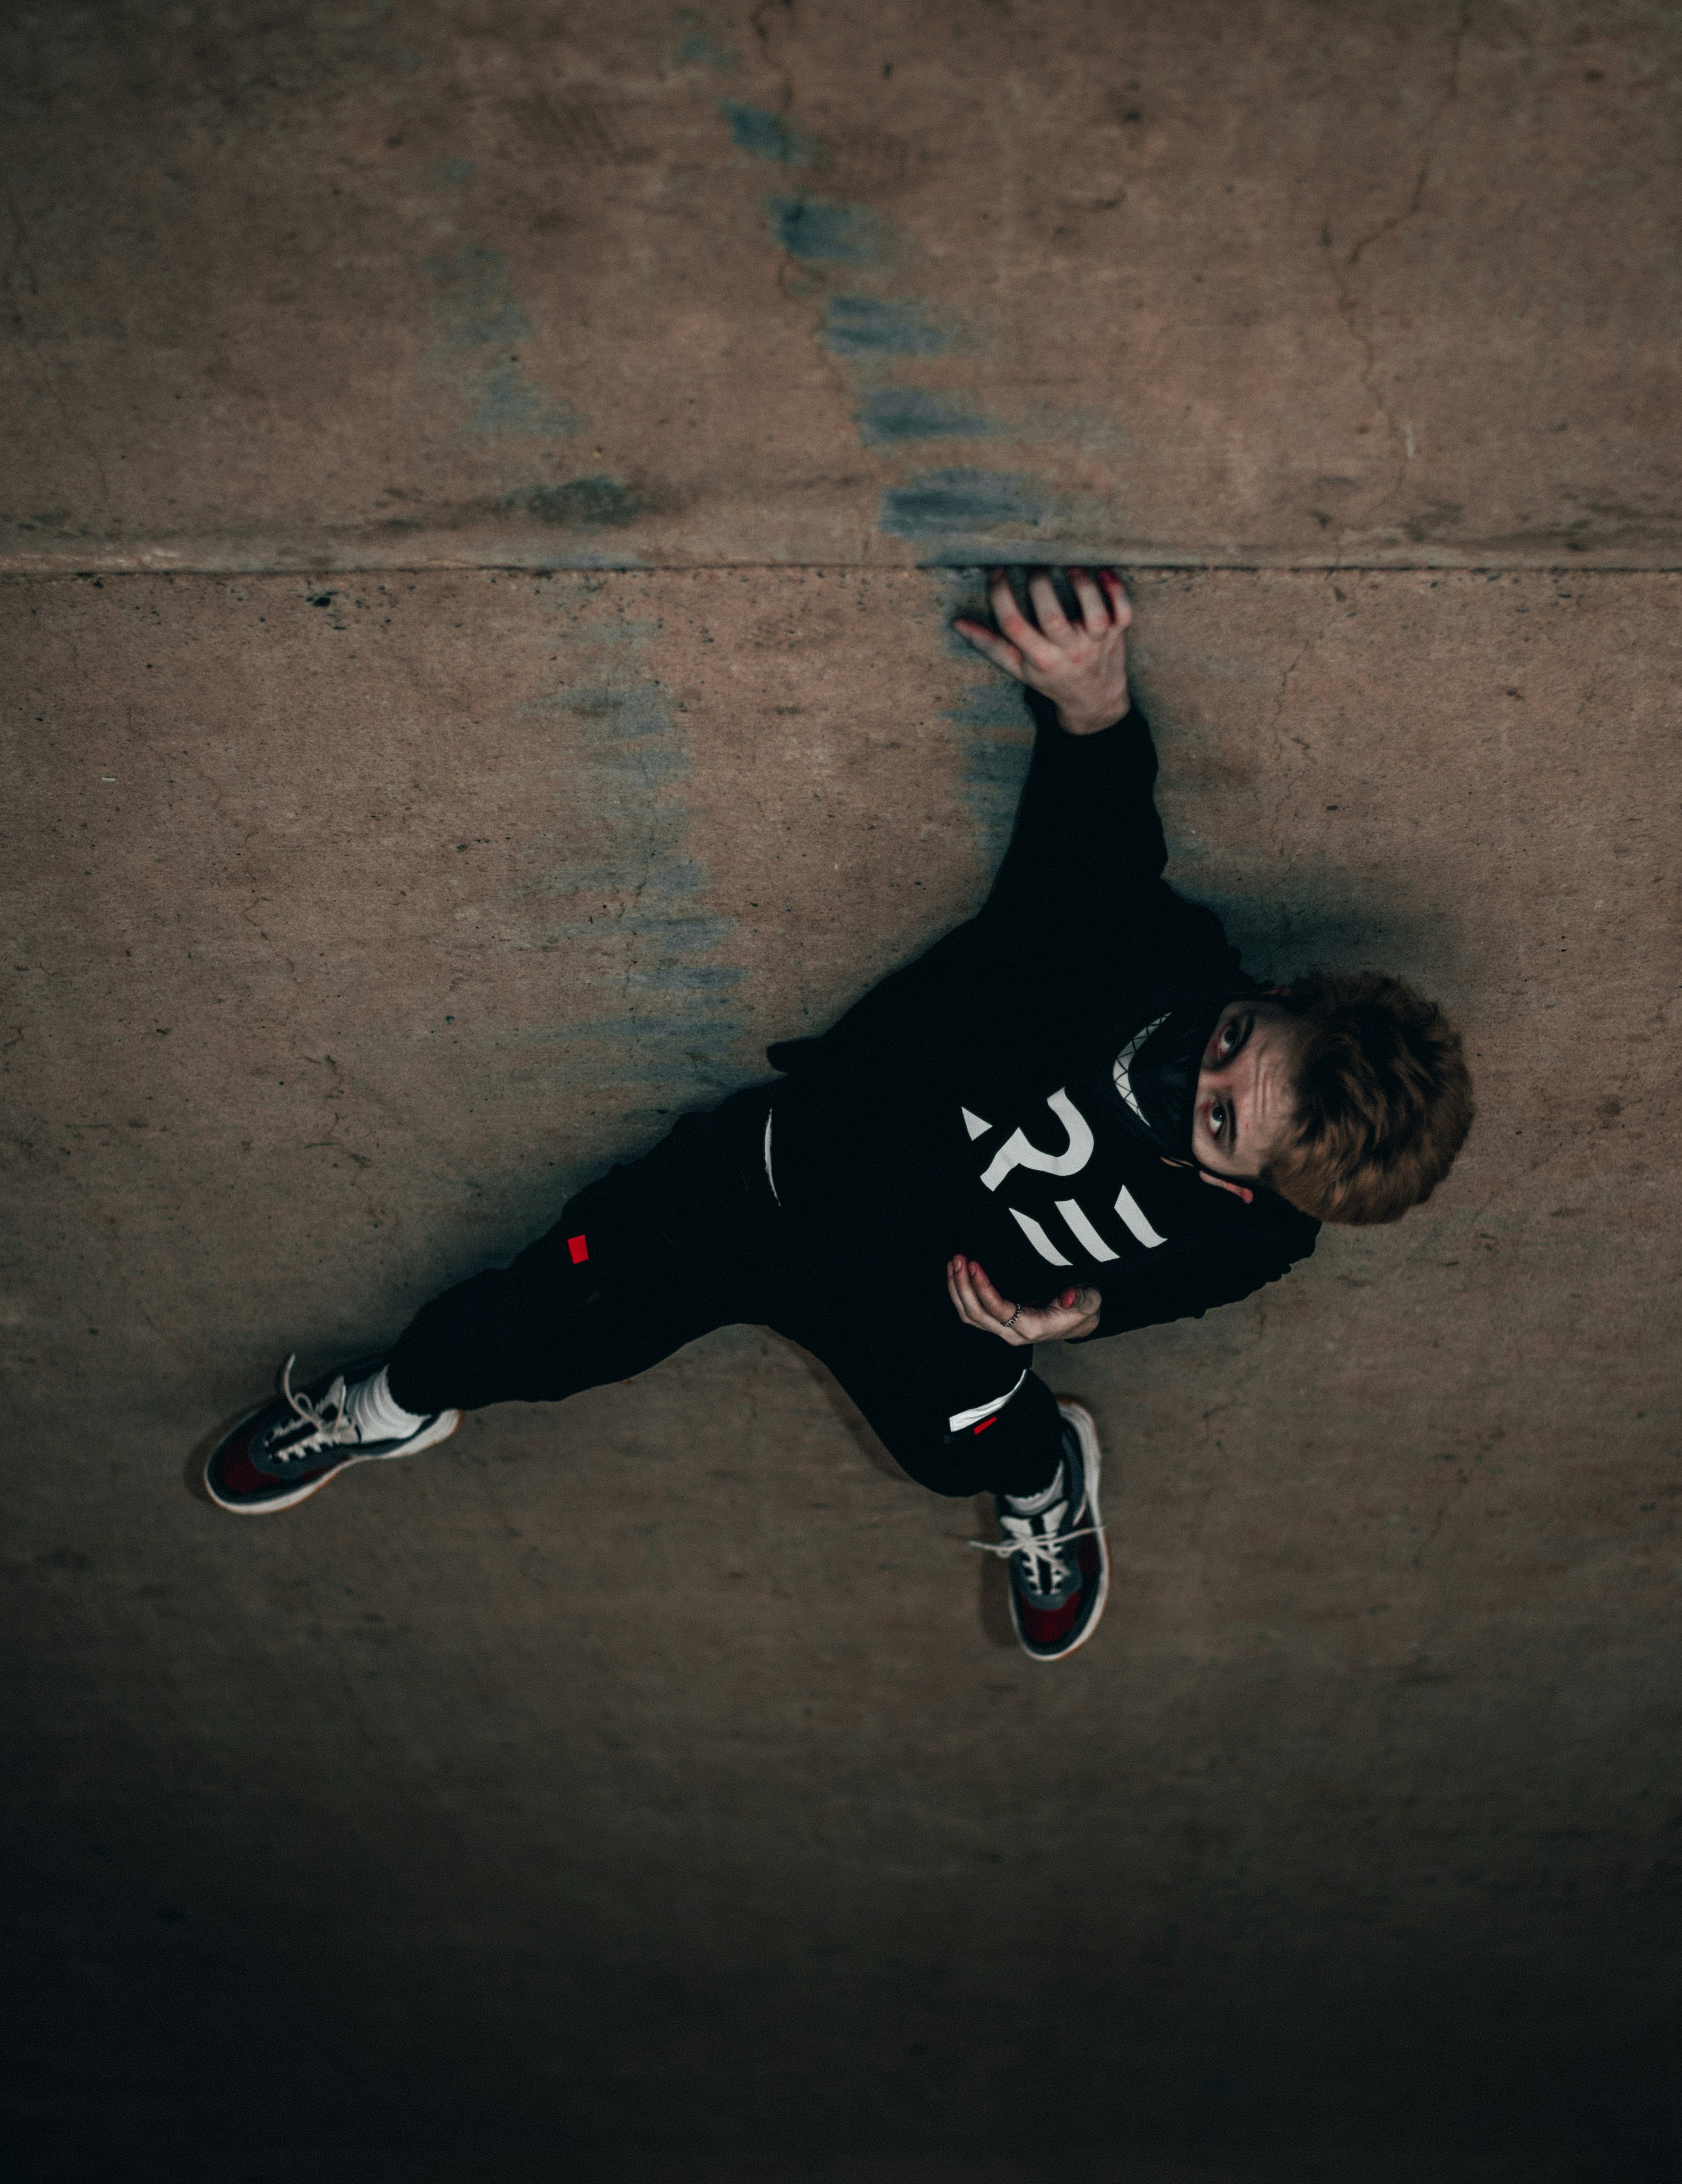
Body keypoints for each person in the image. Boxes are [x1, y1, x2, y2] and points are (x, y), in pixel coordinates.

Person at [204, 569, 1474, 1662]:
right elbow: (1098, 841)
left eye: (1206, 1118)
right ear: (1276, 993)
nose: (1183, 1065)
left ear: (1247, 1186)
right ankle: (396, 1398)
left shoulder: (1262, 1236)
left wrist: (1083, 1313)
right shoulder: (1144, 959)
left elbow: (1190, 1284)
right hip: (762, 1189)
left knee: (956, 1453)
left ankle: (1045, 1477)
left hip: (936, 1319)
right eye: (1235, 1036)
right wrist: (1089, 698)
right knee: (541, 1316)